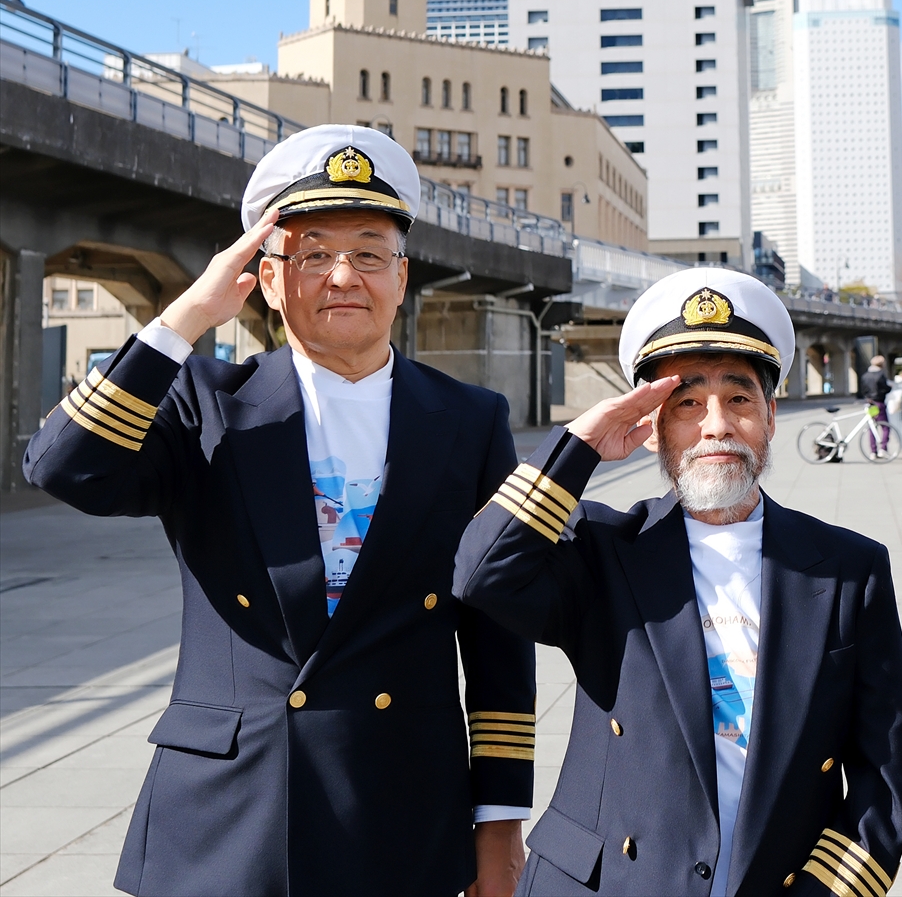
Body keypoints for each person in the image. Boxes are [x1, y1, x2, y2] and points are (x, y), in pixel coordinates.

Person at [24, 126, 536, 897]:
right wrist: (186, 317)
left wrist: (498, 824)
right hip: (228, 814)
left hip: (397, 804)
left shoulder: (470, 420)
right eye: (311, 253)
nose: (342, 276)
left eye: (369, 252)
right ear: (265, 279)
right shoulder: (205, 402)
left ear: (402, 277)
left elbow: (497, 628)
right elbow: (63, 466)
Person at [455, 268, 902, 896]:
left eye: (740, 398)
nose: (716, 425)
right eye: (688, 404)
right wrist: (579, 446)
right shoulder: (604, 549)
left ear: (772, 415)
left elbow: (882, 776)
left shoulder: (847, 569)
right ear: (654, 429)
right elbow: (481, 575)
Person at [859, 355, 894, 454]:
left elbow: (863, 390)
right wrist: (890, 388)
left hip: (869, 403)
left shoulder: (865, 375)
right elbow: (885, 389)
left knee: (872, 427)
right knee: (885, 427)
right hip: (879, 403)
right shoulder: (880, 375)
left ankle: (873, 451)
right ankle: (883, 449)